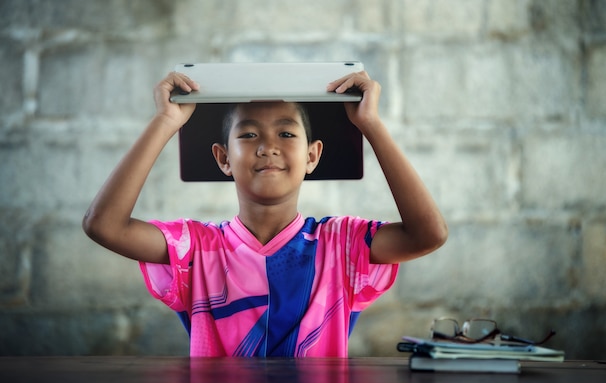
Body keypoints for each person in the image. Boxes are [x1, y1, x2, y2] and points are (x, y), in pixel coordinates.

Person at [82, 69, 448, 357]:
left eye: (286, 135)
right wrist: (165, 120)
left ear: (312, 156)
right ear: (223, 159)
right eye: (249, 135)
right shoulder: (195, 247)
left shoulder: (341, 244)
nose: (268, 147)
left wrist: (371, 124)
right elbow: (104, 225)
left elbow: (428, 234)